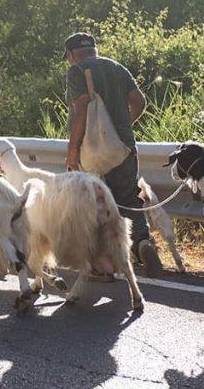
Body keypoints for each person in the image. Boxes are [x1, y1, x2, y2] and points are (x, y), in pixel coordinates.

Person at [63, 32, 162, 278]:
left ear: (72, 55)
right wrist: (122, 128)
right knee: (129, 199)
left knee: (94, 203)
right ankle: (143, 244)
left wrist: (73, 149)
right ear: (94, 49)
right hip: (124, 147)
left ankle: (101, 265)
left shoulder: (77, 71)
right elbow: (139, 101)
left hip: (92, 150)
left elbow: (82, 107)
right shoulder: (117, 68)